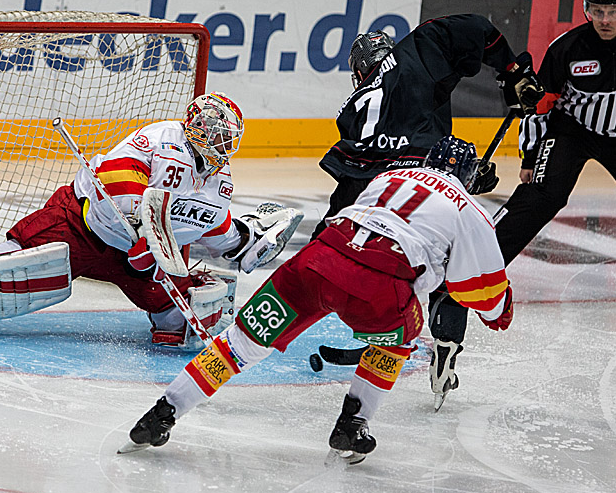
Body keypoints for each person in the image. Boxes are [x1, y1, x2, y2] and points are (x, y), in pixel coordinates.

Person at [119, 135, 514, 464]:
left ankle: (164, 411)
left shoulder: (392, 175)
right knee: (398, 342)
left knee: (240, 343)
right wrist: (501, 313)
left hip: (316, 260)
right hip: (380, 285)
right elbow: (482, 292)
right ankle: (351, 426)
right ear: (467, 175)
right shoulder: (468, 209)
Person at [428, 0, 616, 409]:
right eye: (597, 9)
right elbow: (539, 106)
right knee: (539, 198)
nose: (605, 18)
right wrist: (528, 156)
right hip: (570, 131)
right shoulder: (567, 49)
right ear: (586, 9)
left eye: (613, 10)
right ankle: (476, 267)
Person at [0, 92, 301, 347]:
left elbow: (211, 223)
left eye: (228, 135)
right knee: (10, 268)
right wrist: (143, 228)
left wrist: (241, 241)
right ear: (194, 125)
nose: (222, 141)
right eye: (215, 131)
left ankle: (169, 318)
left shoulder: (219, 176)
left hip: (140, 255)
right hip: (82, 225)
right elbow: (116, 176)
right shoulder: (162, 138)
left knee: (177, 320)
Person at [312, 13, 544, 242]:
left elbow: (375, 164)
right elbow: (477, 27)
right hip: (420, 183)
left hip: (362, 188)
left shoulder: (349, 108)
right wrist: (513, 70)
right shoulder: (410, 58)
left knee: (326, 244)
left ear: (360, 72)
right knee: (436, 249)